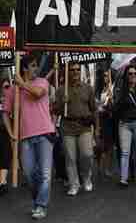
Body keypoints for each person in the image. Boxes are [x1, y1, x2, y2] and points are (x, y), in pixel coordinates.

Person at [3, 55, 56, 219]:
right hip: (25, 136)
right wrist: (11, 133)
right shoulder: (13, 90)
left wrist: (22, 84)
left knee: (46, 174)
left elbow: (38, 93)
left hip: (45, 134)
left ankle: (41, 206)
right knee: (28, 174)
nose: (36, 69)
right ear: (24, 68)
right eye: (33, 66)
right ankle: (38, 200)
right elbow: (5, 112)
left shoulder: (42, 82)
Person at [54, 62, 97, 196]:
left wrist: (97, 129)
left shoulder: (88, 88)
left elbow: (94, 109)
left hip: (84, 126)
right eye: (72, 70)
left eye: (78, 70)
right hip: (67, 127)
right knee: (70, 157)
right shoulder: (61, 90)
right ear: (68, 72)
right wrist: (62, 102)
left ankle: (86, 178)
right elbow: (56, 110)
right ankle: (74, 184)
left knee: (87, 154)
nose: (75, 72)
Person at [96, 69, 115, 177]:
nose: (106, 78)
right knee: (99, 146)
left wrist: (112, 98)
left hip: (109, 119)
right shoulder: (98, 90)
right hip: (99, 118)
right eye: (104, 76)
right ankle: (99, 165)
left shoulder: (113, 88)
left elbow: (115, 105)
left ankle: (108, 168)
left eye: (107, 76)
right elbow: (96, 105)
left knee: (109, 146)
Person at [0, 79, 12, 196]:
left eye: (8, 87)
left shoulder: (12, 98)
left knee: (6, 154)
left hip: (5, 132)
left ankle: (2, 182)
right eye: (5, 87)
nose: (7, 89)